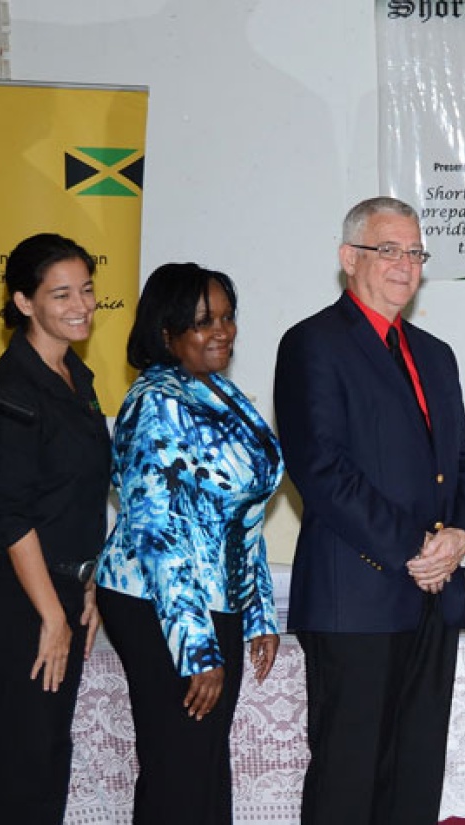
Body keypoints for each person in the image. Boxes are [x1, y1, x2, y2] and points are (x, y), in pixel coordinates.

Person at [274, 196, 465, 825]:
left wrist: (463, 538)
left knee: (415, 776)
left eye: (415, 252)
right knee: (348, 777)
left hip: (435, 596)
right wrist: (419, 548)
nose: (404, 264)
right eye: (388, 249)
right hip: (356, 597)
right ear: (349, 259)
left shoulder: (436, 353)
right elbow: (322, 471)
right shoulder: (312, 343)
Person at [96, 263, 284, 824]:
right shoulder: (156, 402)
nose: (221, 331)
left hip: (214, 599)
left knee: (203, 762)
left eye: (227, 317)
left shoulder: (217, 391)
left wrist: (259, 613)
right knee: (178, 762)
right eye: (203, 322)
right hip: (159, 606)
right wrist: (196, 649)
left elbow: (241, 517)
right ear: (166, 332)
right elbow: (160, 537)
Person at [0, 233, 109, 824]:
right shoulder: (8, 390)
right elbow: (10, 512)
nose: (82, 305)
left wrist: (88, 584)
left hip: (62, 587)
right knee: (21, 760)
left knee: (49, 752)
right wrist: (52, 615)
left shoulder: (76, 375)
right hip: (16, 596)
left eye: (88, 289)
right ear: (24, 302)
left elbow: (77, 497)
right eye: (61, 294)